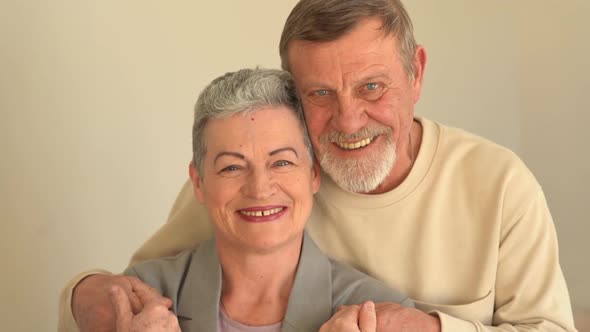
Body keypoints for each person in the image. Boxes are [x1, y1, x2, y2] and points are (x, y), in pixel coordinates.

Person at [59, 0, 577, 331]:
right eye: (320, 93)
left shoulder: (501, 185)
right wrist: (84, 294)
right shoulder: (264, 179)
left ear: (415, 73)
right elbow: (138, 285)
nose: (349, 121)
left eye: (372, 87)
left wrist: (433, 329)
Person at [114, 67, 414, 331]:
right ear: (199, 182)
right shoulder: (141, 296)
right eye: (232, 167)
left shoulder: (377, 311)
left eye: (282, 162)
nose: (259, 188)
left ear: (313, 173)